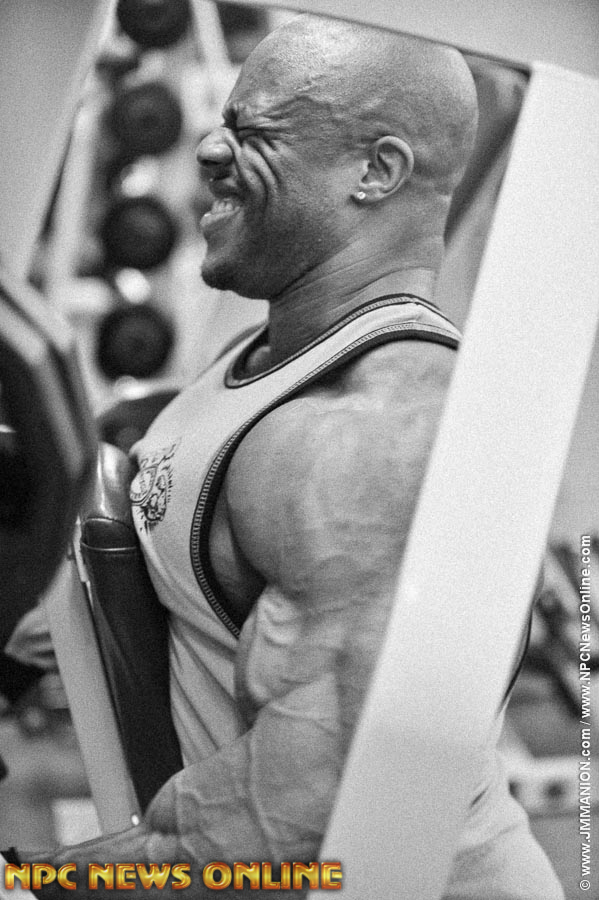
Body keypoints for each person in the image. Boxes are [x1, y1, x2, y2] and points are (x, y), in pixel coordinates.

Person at [39, 14, 563, 898]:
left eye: (256, 132)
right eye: (224, 120)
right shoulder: (269, 352)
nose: (209, 148)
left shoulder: (370, 431)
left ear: (375, 171)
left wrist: (38, 884)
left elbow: (291, 818)